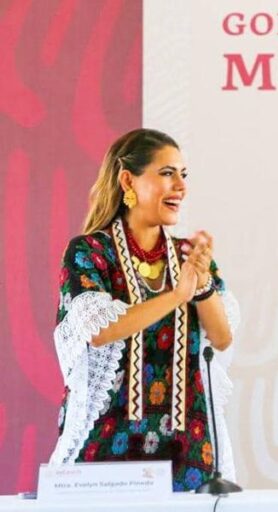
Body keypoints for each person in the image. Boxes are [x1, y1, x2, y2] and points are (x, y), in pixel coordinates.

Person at [50, 129, 239, 491]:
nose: (180, 186)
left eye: (184, 175)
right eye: (167, 173)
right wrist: (176, 294)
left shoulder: (187, 256)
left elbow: (222, 337)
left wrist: (200, 284)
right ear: (128, 180)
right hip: (106, 453)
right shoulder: (89, 252)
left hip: (188, 455)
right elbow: (100, 330)